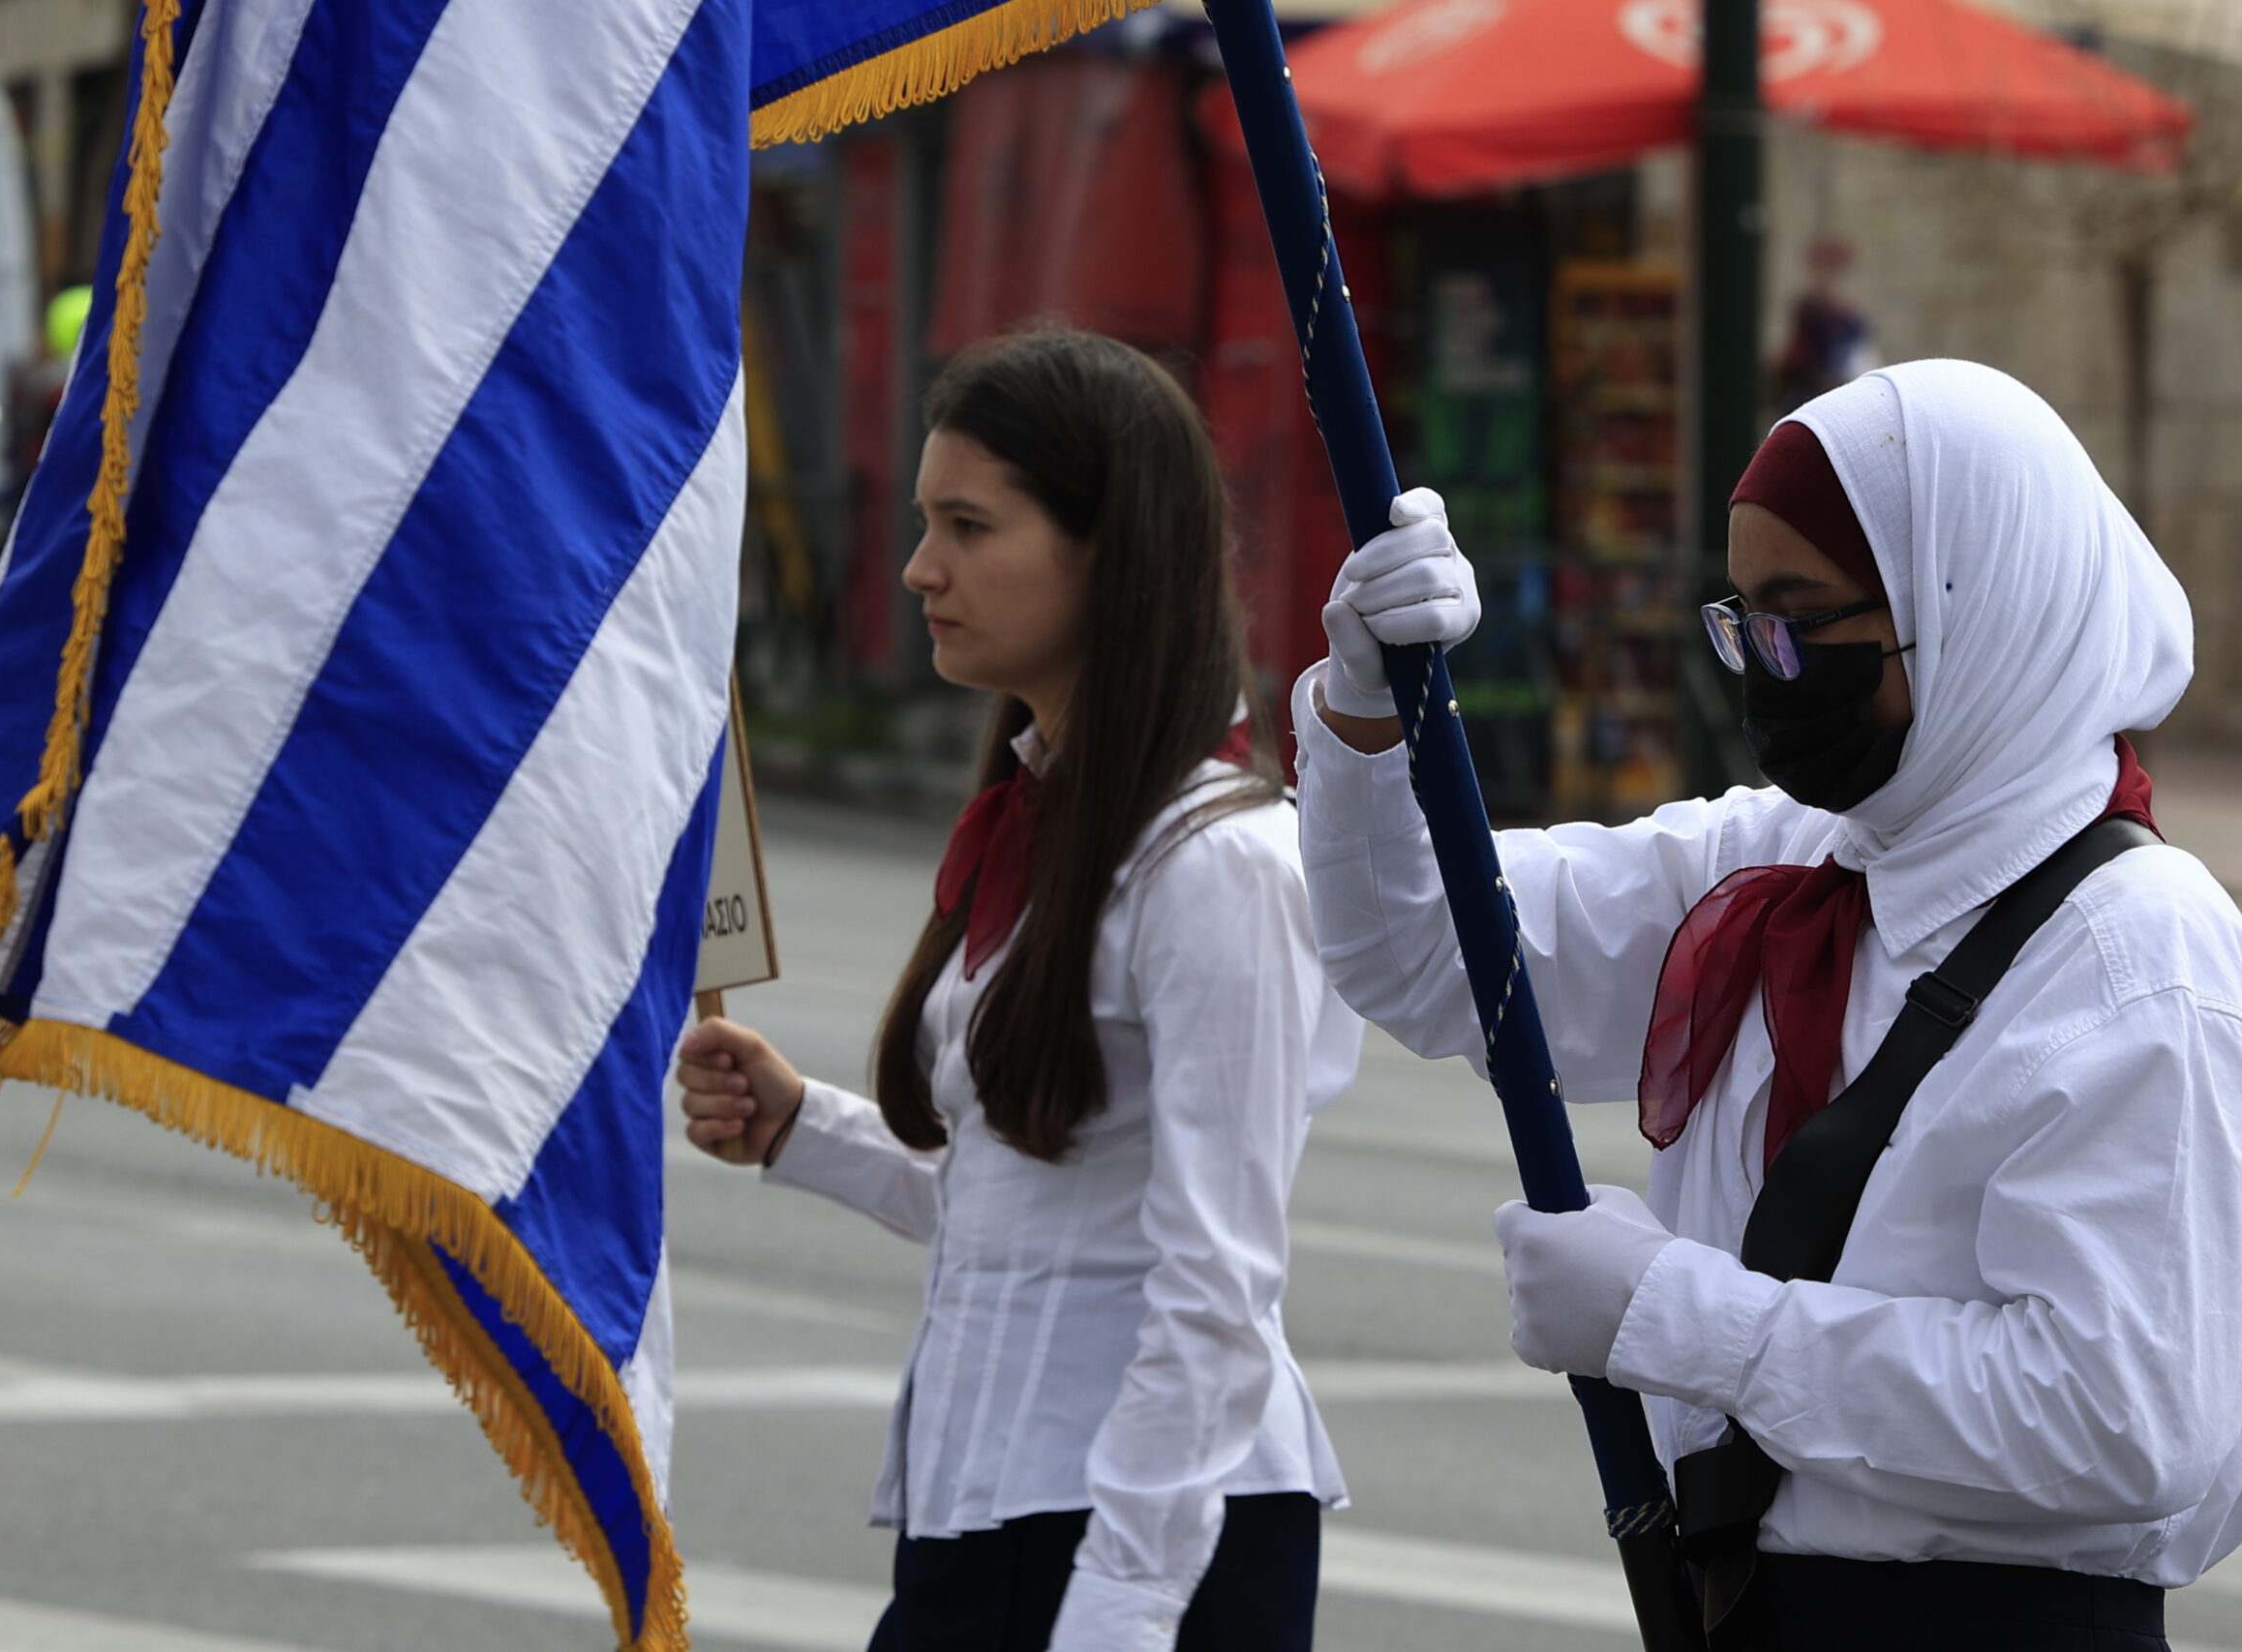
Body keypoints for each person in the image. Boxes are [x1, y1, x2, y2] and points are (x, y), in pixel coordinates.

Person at [1298, 358, 2242, 1650]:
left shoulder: (2140, 958)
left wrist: (1681, 1319)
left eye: (1799, 620)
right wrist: (1367, 712)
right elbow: (1429, 955)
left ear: (1973, 611)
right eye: (1740, 620)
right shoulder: (1788, 856)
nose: (1764, 669)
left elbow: (2121, 1425)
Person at [677, 330, 1365, 1652]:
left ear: (1111, 550)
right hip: (986, 1507)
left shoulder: (1220, 863)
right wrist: (798, 1129)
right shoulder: (1047, 819)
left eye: (968, 525)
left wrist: (1124, 1602)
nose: (919, 568)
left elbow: (1213, 1279)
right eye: (926, 521)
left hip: (1147, 1537)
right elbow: (1024, 1201)